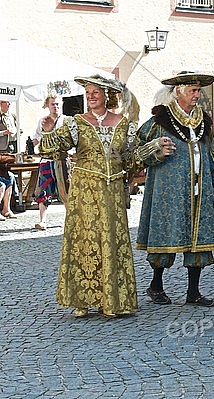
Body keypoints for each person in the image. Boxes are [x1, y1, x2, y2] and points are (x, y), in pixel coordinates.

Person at [39, 74, 169, 318]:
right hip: (84, 192)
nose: (90, 96)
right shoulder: (76, 123)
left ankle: (111, 300)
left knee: (110, 240)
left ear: (106, 95)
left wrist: (154, 148)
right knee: (85, 241)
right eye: (87, 92)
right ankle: (83, 299)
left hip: (112, 192)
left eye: (95, 92)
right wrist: (48, 132)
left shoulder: (123, 124)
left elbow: (130, 161)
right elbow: (53, 148)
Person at [137, 71, 214, 308]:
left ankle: (193, 292)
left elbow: (212, 155)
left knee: (198, 239)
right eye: (193, 91)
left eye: (199, 91)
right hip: (169, 190)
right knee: (166, 234)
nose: (198, 95)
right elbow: (137, 149)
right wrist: (156, 149)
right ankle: (156, 285)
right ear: (179, 92)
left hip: (200, 190)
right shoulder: (160, 120)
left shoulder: (203, 121)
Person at [32, 92, 70, 230]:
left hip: (62, 161)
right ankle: (43, 221)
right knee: (43, 190)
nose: (55, 106)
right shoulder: (42, 120)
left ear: (62, 104)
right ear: (47, 105)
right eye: (52, 104)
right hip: (46, 160)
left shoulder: (67, 121)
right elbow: (36, 137)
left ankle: (69, 220)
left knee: (67, 190)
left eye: (57, 104)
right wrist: (31, 145)